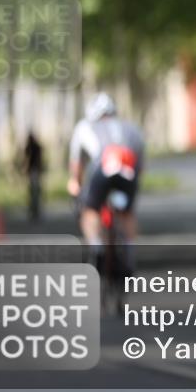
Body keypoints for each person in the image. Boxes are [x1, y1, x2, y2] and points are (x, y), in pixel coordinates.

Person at [68, 93, 145, 272]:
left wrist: (75, 182)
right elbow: (139, 161)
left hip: (102, 170)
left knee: (90, 211)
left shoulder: (84, 126)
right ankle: (129, 253)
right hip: (128, 170)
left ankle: (97, 247)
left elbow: (76, 163)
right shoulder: (131, 127)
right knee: (127, 213)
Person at [23, 131, 44, 222]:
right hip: (34, 171)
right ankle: (34, 210)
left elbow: (35, 160)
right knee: (33, 191)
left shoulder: (34, 147)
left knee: (35, 192)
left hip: (35, 171)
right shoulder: (32, 147)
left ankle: (35, 210)